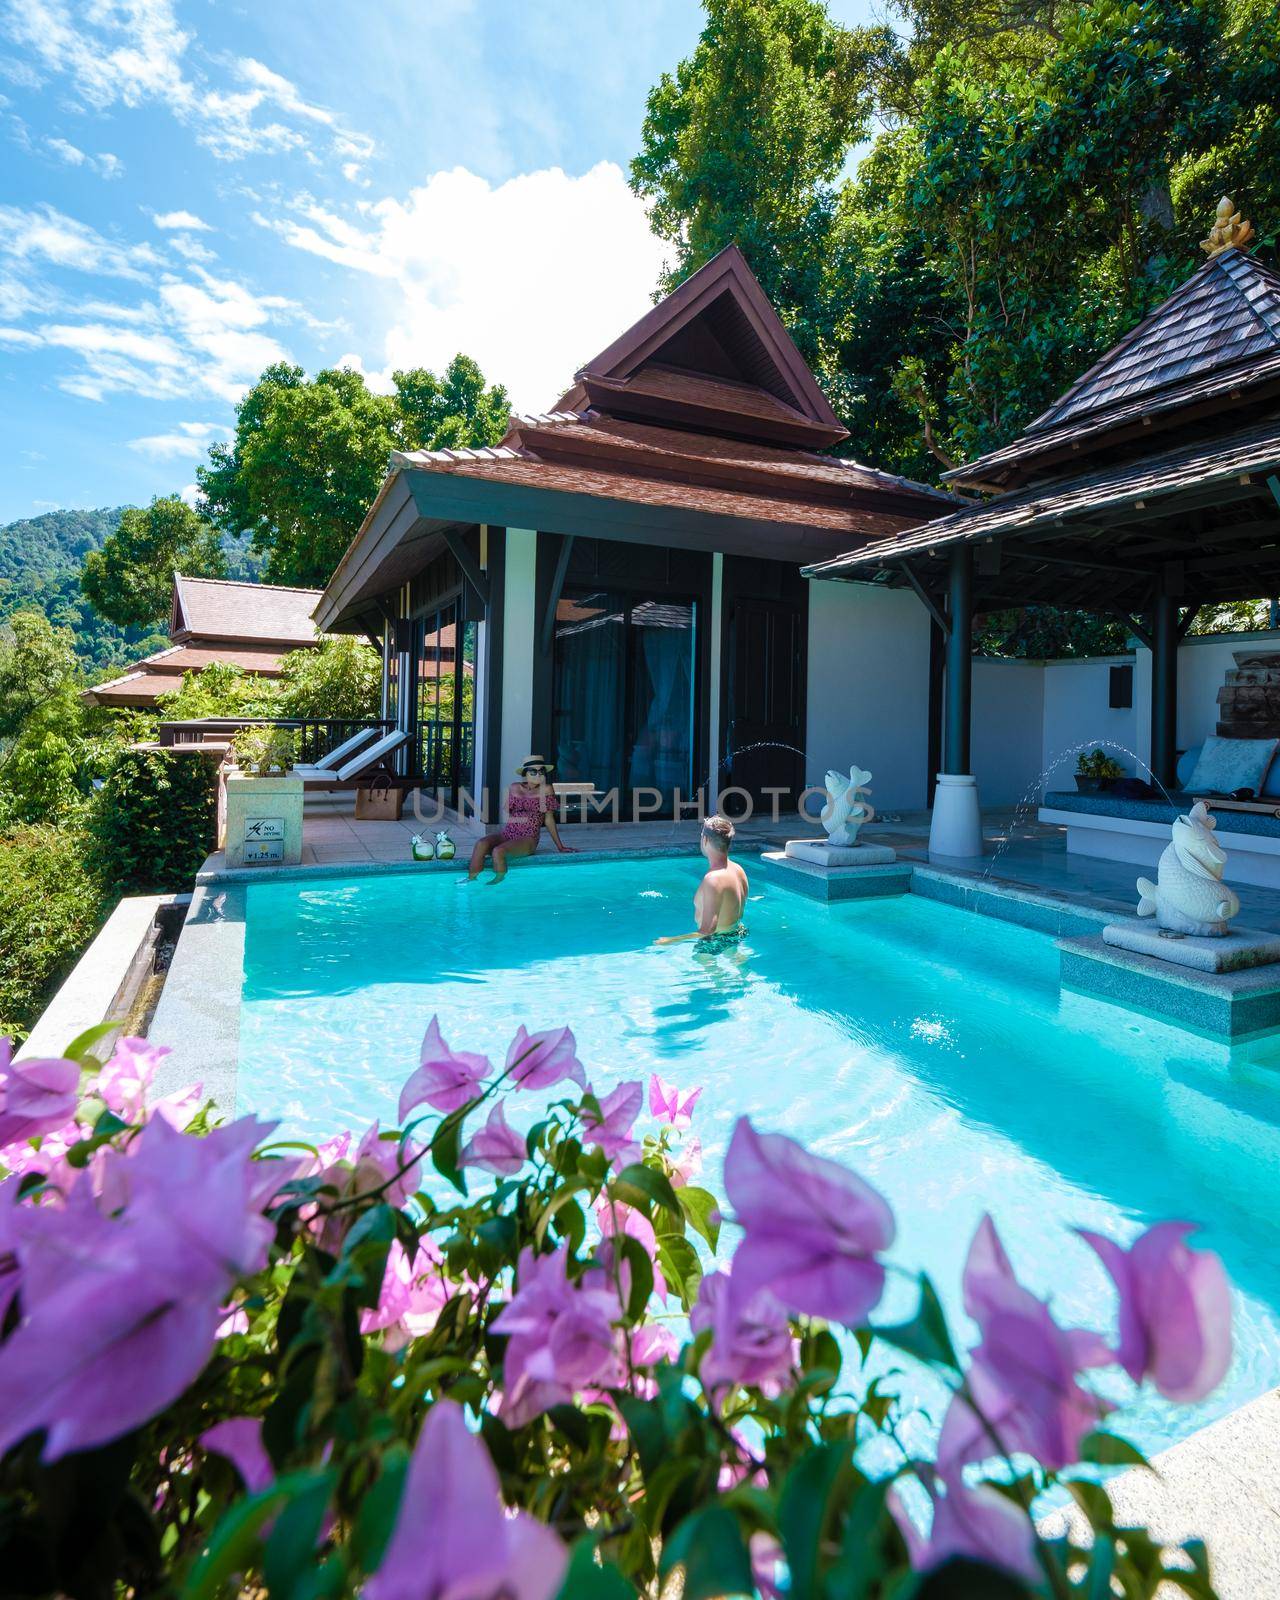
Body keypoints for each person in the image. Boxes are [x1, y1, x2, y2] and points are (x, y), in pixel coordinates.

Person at [465, 755, 574, 882]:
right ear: (525, 774)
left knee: (498, 851)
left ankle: (498, 883)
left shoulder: (547, 789)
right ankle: (471, 880)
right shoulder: (514, 787)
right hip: (509, 833)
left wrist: (560, 846)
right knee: (481, 844)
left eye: (541, 771)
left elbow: (548, 819)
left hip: (528, 838)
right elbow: (509, 811)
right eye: (533, 771)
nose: (538, 775)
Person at [656, 814, 748, 944]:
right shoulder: (738, 870)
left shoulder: (713, 880)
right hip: (737, 934)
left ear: (705, 840)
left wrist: (672, 940)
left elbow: (707, 931)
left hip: (714, 942)